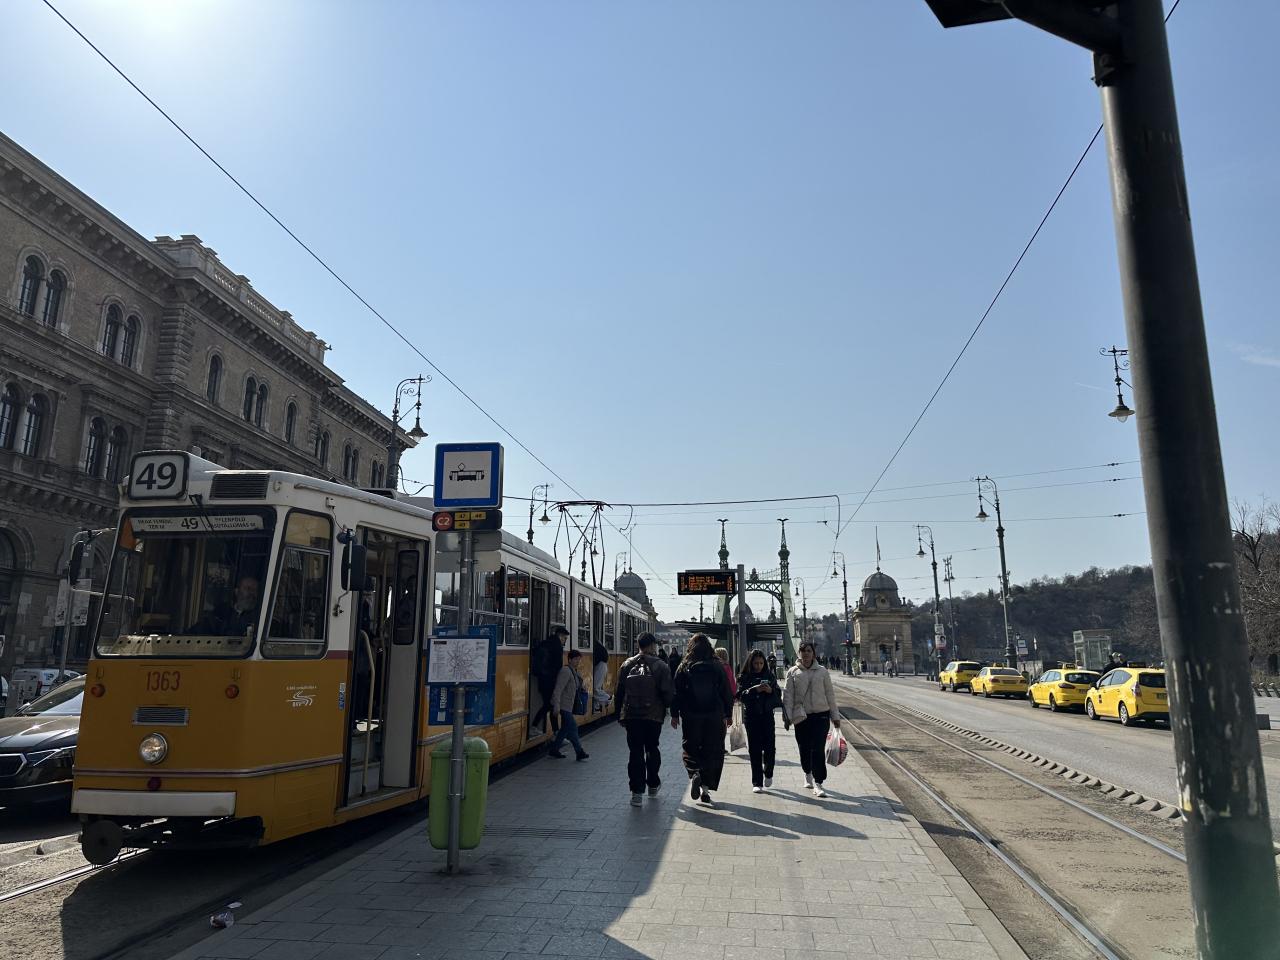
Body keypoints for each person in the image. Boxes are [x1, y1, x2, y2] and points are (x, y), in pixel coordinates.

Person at [671, 634, 733, 807]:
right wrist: (728, 714)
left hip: (691, 714)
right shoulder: (717, 665)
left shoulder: (684, 665)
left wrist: (674, 714)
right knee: (712, 750)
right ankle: (705, 789)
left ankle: (694, 772)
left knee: (690, 747)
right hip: (714, 715)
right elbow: (726, 691)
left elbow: (676, 692)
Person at [616, 632, 675, 806]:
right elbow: (668, 693)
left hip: (632, 715)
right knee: (652, 749)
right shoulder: (661, 666)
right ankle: (653, 784)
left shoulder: (627, 664)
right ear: (652, 646)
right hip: (653, 716)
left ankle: (636, 793)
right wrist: (669, 709)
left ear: (638, 645)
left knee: (635, 752)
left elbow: (619, 691)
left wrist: (619, 714)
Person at [783, 640, 841, 798]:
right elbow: (788, 696)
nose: (806, 653)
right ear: (799, 653)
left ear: (813, 654)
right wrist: (788, 717)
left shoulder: (822, 671)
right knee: (804, 748)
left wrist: (835, 716)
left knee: (818, 749)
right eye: (803, 651)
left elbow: (830, 694)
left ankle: (819, 782)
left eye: (809, 651)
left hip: (821, 715)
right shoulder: (792, 672)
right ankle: (807, 772)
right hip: (801, 716)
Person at [737, 649, 782, 793]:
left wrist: (771, 691)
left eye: (761, 663)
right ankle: (757, 782)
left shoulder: (769, 676)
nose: (758, 666)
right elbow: (740, 696)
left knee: (770, 747)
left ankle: (768, 772)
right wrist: (755, 689)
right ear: (751, 663)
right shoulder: (745, 677)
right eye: (756, 663)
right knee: (754, 749)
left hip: (767, 716)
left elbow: (778, 696)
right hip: (752, 717)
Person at [548, 649, 589, 761]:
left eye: (579, 660)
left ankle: (554, 749)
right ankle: (579, 752)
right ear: (569, 659)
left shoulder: (573, 671)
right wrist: (556, 705)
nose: (577, 661)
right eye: (575, 659)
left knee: (565, 729)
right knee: (573, 727)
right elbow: (558, 688)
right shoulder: (565, 671)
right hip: (563, 705)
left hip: (569, 706)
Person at [530, 626, 569, 734]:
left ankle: (555, 732)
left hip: (542, 680)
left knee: (550, 705)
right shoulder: (557, 647)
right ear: (560, 636)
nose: (565, 641)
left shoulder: (545, 643)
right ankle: (534, 726)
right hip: (550, 681)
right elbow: (557, 667)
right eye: (565, 638)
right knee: (549, 705)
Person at [192, 575, 260, 636]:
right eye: (248, 588)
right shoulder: (221, 611)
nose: (252, 593)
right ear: (237, 591)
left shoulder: (259, 616)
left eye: (255, 590)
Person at [592, 638, 612, 710]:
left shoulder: (595, 645)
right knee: (597, 686)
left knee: (595, 688)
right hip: (601, 665)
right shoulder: (598, 645)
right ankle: (596, 706)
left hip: (600, 666)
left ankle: (607, 698)